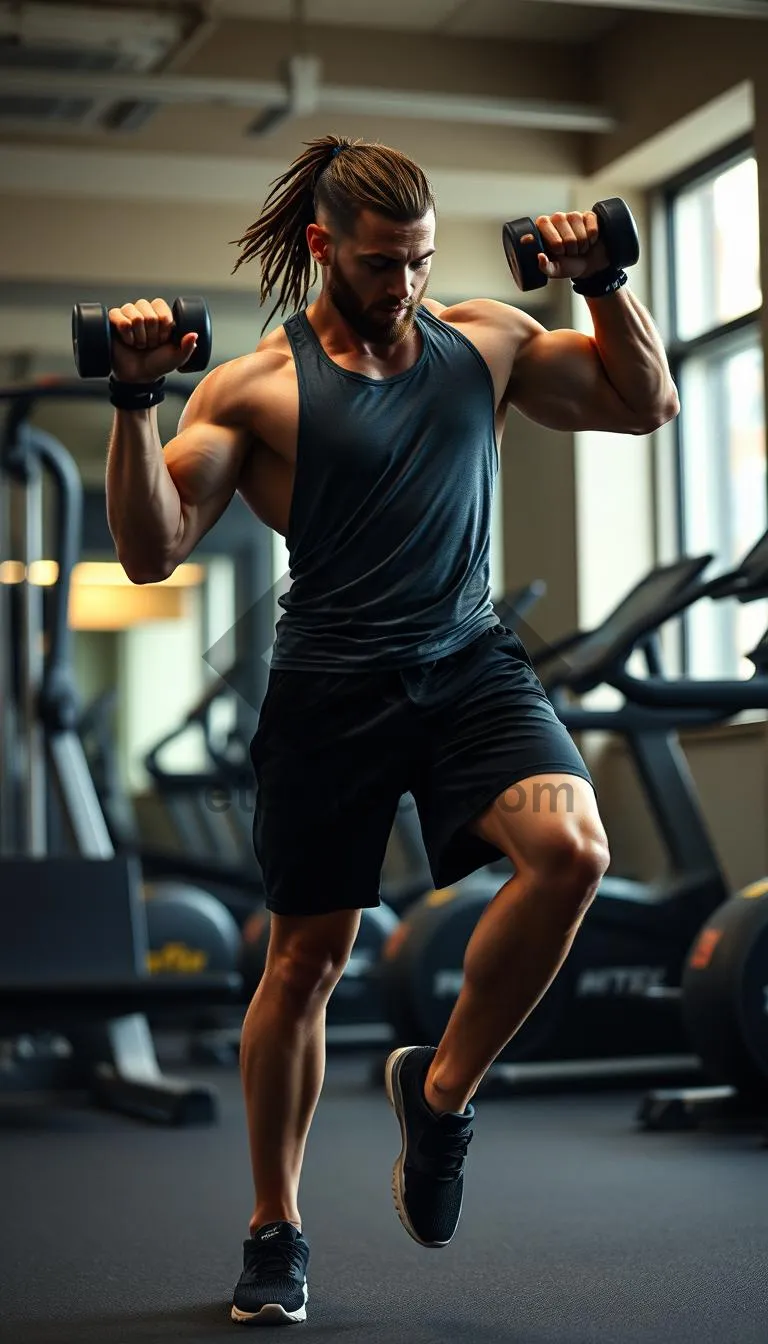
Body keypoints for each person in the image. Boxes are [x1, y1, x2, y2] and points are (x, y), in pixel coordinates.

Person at [105, 134, 680, 1327]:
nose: (405, 284)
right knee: (305, 963)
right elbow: (151, 549)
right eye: (381, 263)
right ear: (324, 248)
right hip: (332, 697)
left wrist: (604, 282)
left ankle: (444, 1093)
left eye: (420, 259)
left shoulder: (487, 343)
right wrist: (133, 396)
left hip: (469, 667)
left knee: (574, 853)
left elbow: (647, 403)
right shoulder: (255, 388)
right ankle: (276, 1228)